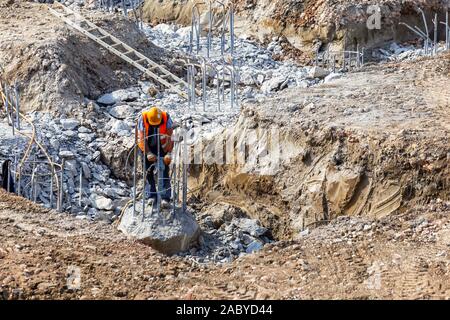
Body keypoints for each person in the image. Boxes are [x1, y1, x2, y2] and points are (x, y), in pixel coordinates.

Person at [137, 106, 174, 207]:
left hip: (162, 146)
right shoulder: (143, 118)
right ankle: (151, 195)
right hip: (147, 146)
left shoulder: (166, 118)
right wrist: (148, 152)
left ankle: (165, 198)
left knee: (164, 170)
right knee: (148, 171)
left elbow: (170, 137)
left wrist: (169, 153)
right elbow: (141, 138)